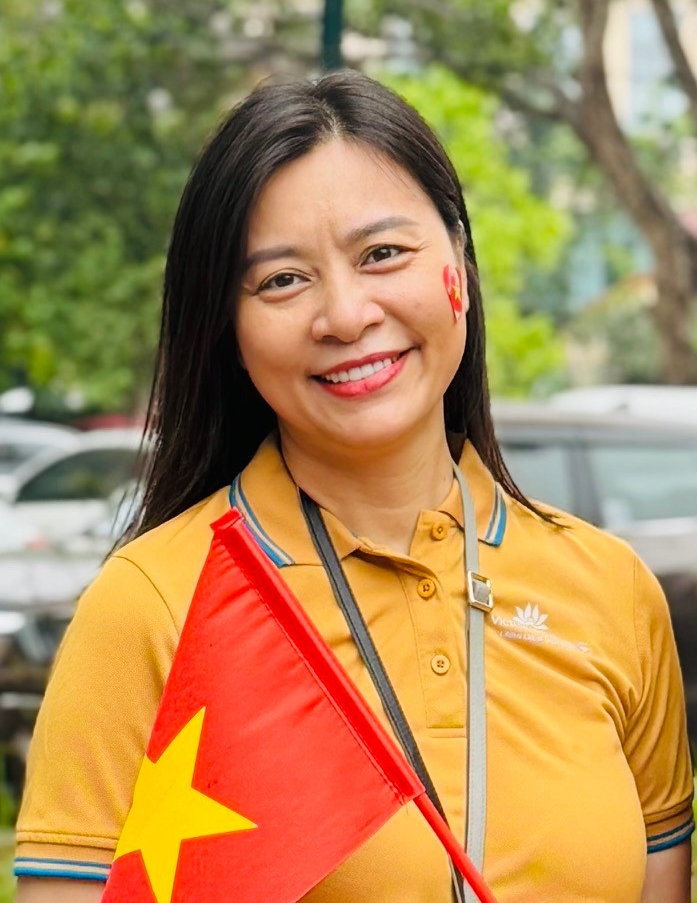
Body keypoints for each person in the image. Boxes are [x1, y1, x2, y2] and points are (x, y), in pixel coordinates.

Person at [14, 72, 693, 903]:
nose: (344, 314)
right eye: (281, 280)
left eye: (382, 255)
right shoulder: (152, 603)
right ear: (228, 328)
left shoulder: (611, 590)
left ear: (460, 264)